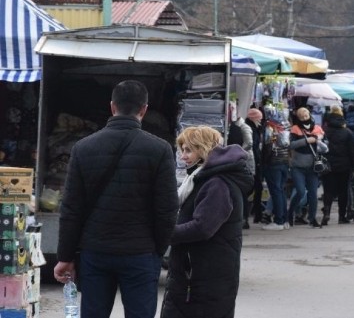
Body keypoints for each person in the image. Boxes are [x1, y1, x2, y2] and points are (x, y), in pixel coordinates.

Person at [54, 80, 178, 318]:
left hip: (95, 252)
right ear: (144, 110)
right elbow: (167, 208)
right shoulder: (160, 149)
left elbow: (71, 209)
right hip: (141, 252)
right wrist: (157, 249)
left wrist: (65, 256)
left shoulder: (83, 148)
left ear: (112, 107)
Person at [161, 125, 253, 318]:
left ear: (203, 149)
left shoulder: (216, 183)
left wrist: (164, 233)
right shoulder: (202, 179)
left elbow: (202, 227)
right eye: (182, 150)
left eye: (188, 150)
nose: (183, 156)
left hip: (204, 277)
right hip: (198, 274)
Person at [288, 106, 327, 228]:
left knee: (313, 194)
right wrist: (307, 141)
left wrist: (319, 141)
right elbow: (292, 145)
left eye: (306, 116)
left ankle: (312, 218)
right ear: (298, 118)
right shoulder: (295, 129)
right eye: (302, 116)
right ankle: (290, 213)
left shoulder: (317, 128)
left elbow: (325, 148)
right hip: (298, 167)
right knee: (300, 191)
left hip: (312, 167)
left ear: (310, 115)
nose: (305, 118)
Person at [321, 105, 354, 225]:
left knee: (328, 191)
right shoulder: (347, 132)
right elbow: (353, 151)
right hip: (344, 165)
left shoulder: (324, 131)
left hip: (328, 165)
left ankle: (326, 211)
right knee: (343, 191)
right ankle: (341, 216)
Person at [261, 118, 291, 231]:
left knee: (276, 192)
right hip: (284, 162)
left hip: (273, 164)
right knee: (281, 191)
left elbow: (268, 147)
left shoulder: (270, 128)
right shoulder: (285, 127)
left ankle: (279, 220)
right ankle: (284, 219)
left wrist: (264, 162)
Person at [245, 108, 266, 224]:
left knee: (258, 188)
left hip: (256, 161)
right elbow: (251, 146)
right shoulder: (249, 129)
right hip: (252, 162)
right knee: (252, 188)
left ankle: (257, 213)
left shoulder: (256, 128)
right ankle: (250, 214)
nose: (261, 120)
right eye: (259, 118)